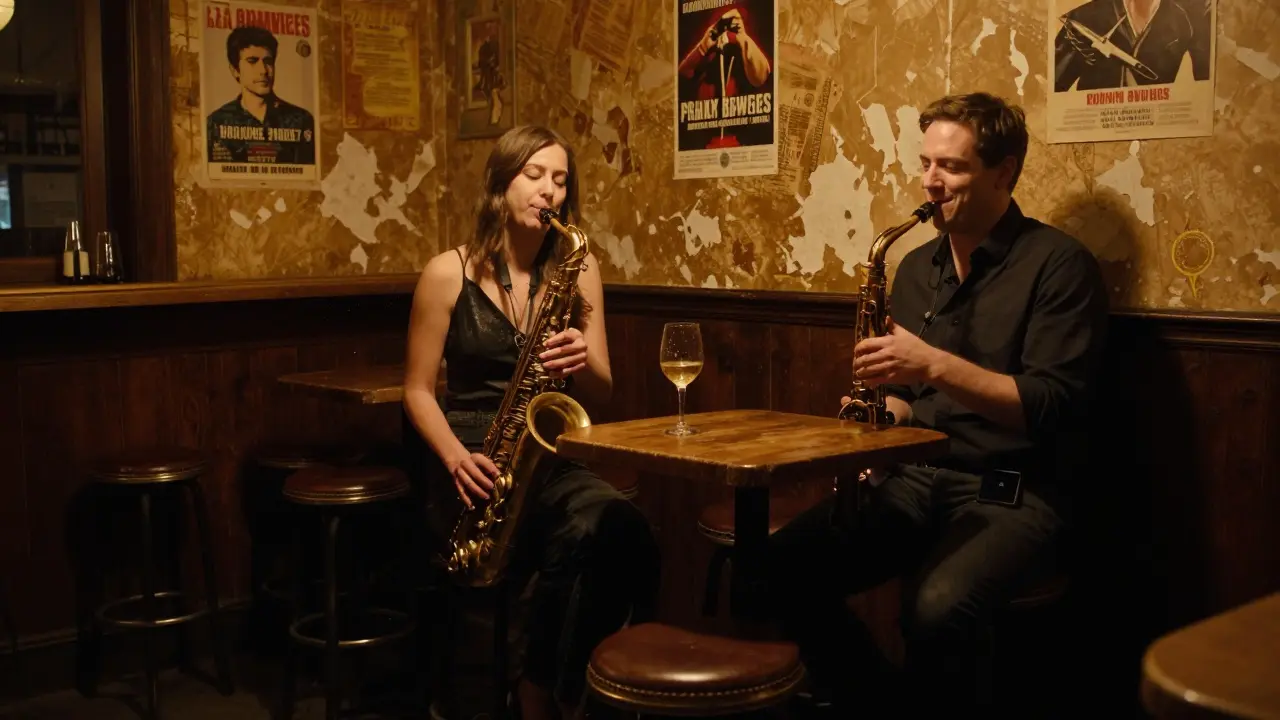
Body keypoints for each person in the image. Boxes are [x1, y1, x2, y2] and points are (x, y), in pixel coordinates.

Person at [765, 92, 1109, 713]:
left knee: (933, 609)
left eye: (951, 167)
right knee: (780, 568)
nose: (931, 182)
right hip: (915, 477)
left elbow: (1050, 405)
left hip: (1014, 489)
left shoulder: (1058, 265)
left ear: (1003, 173)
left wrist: (932, 363)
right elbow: (905, 395)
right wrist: (881, 419)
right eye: (925, 163)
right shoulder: (917, 265)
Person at [402, 125, 660, 720]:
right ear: (501, 184)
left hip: (546, 450)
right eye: (535, 175)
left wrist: (581, 358)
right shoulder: (447, 274)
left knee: (621, 529)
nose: (549, 192)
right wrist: (454, 459)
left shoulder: (578, 267)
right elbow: (416, 390)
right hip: (469, 455)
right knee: (570, 540)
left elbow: (602, 388)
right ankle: (523, 687)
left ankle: (545, 683)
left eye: (561, 180)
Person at [206, 25, 315, 165]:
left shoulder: (301, 120)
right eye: (252, 61)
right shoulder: (216, 123)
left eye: (268, 62)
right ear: (235, 70)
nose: (263, 70)